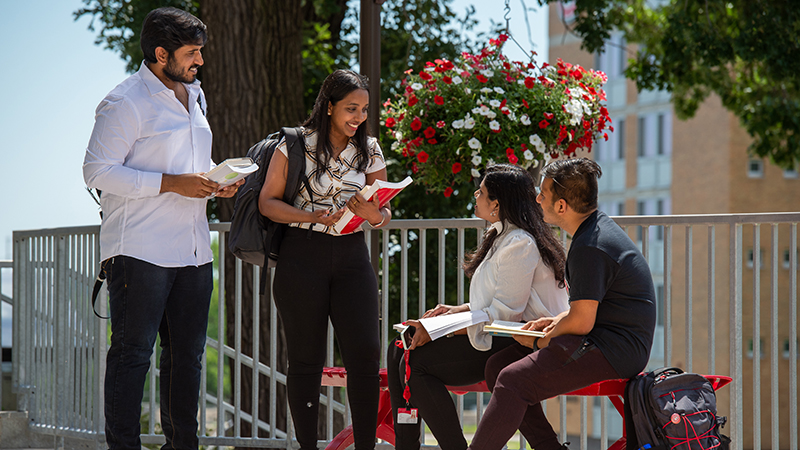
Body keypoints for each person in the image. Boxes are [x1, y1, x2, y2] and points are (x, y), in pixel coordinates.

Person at [83, 7, 243, 450]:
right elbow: (96, 171)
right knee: (133, 356)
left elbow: (188, 167)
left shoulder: (196, 95)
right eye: (192, 52)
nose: (200, 61)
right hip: (139, 249)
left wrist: (215, 182)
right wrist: (175, 184)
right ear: (160, 53)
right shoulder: (124, 101)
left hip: (193, 250)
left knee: (187, 360)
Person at [466, 158, 657, 450]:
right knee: (499, 366)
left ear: (561, 206)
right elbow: (585, 310)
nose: (537, 199)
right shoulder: (594, 232)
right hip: (603, 340)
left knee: (514, 379)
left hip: (613, 351)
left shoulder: (590, 246)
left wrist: (543, 337)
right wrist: (550, 325)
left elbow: (582, 322)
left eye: (543, 194)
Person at [386, 164, 570, 450]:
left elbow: (505, 316)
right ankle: (406, 445)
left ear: (496, 203)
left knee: (417, 363)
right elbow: (497, 304)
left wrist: (440, 331)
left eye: (481, 191)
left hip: (522, 341)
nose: (475, 194)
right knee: (397, 346)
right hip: (503, 332)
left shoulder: (520, 243)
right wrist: (454, 312)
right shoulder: (502, 234)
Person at [258, 69, 389, 450]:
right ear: (329, 106)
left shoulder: (371, 149)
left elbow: (383, 215)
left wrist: (372, 214)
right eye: (351, 108)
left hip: (352, 256)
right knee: (305, 359)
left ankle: (366, 446)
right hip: (303, 255)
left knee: (365, 354)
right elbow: (268, 203)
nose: (359, 117)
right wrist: (312, 216)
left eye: (364, 109)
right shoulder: (295, 145)